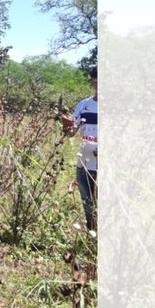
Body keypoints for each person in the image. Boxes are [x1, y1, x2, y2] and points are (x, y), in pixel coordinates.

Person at [62, 68, 98, 232]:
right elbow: (72, 132)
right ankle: (92, 233)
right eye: (96, 79)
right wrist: (66, 124)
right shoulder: (84, 105)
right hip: (84, 162)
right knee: (87, 201)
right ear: (93, 82)